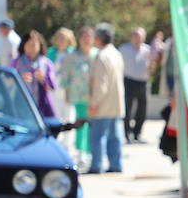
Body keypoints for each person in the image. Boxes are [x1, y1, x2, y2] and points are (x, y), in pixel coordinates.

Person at [86, 22, 125, 174]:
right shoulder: (116, 53)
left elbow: (100, 84)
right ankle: (116, 164)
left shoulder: (102, 56)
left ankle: (96, 165)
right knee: (114, 137)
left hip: (103, 104)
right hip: (116, 104)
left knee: (97, 137)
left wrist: (94, 103)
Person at [59, 28, 95, 167]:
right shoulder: (72, 56)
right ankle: (81, 152)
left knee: (93, 125)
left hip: (95, 97)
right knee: (81, 123)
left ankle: (91, 151)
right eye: (84, 36)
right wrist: (67, 94)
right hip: (78, 96)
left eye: (89, 36)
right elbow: (65, 77)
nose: (87, 39)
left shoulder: (96, 55)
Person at [13, 31, 57, 120]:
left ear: (40, 46)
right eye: (28, 44)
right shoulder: (16, 62)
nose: (31, 48)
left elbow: (52, 87)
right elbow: (7, 82)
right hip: (21, 105)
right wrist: (20, 80)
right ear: (23, 46)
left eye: (34, 45)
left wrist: (43, 80)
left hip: (42, 107)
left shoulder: (46, 63)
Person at [121, 27, 154, 143]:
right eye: (135, 35)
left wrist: (153, 62)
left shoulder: (148, 50)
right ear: (131, 37)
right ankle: (127, 133)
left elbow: (151, 68)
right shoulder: (124, 49)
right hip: (128, 81)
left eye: (140, 36)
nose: (138, 38)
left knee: (142, 110)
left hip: (143, 82)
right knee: (127, 109)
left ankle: (137, 134)